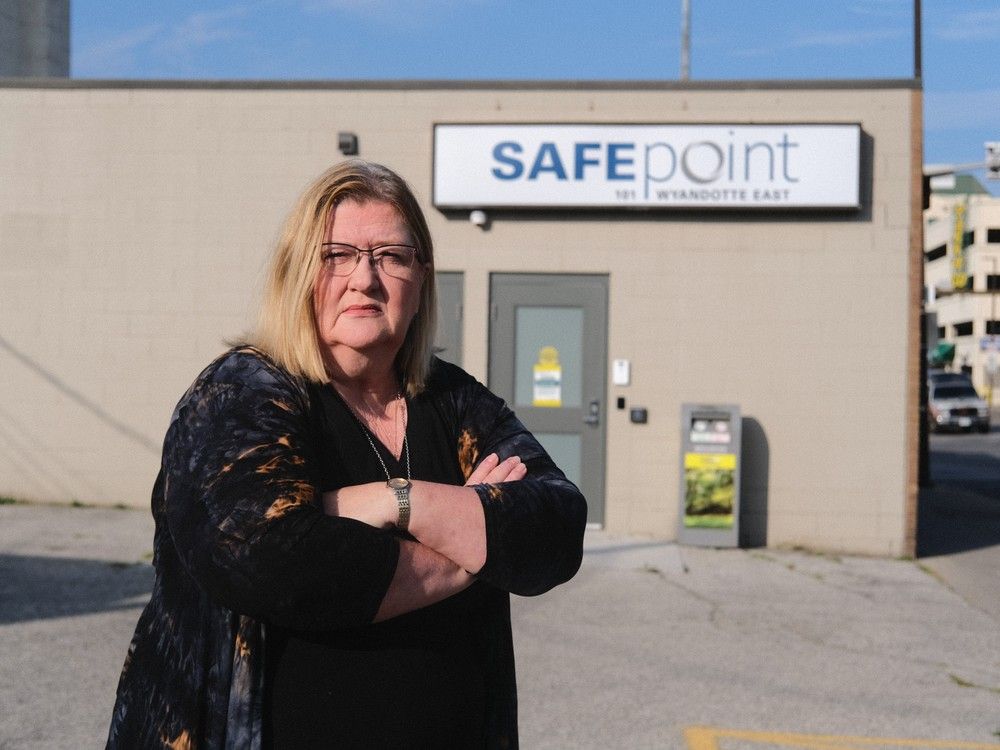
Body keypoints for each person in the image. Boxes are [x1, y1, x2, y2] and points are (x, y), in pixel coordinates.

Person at [106, 159, 587, 749]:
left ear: (421, 279)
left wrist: (397, 502)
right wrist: (469, 547)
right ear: (298, 273)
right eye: (336, 255)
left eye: (391, 255)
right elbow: (271, 561)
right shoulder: (240, 394)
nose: (365, 279)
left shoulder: (454, 401)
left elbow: (556, 526)